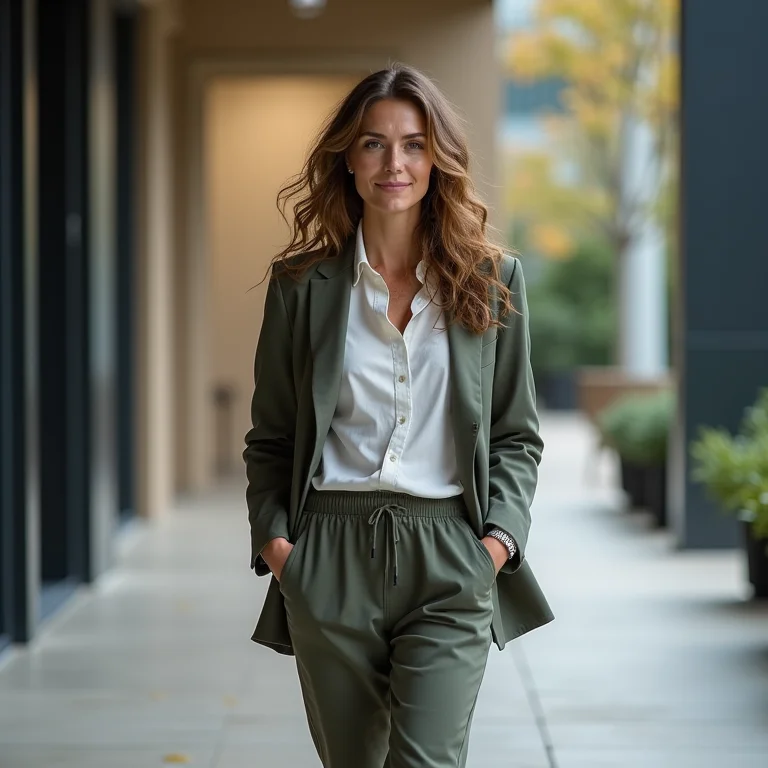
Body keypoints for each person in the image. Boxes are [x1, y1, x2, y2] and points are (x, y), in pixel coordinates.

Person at [243, 63, 553, 768]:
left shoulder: (492, 282)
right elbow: (272, 436)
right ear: (348, 159)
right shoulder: (302, 286)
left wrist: (497, 544)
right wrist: (282, 551)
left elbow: (515, 434)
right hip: (329, 551)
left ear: (437, 158)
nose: (396, 163)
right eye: (375, 144)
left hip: (451, 552)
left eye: (414, 144)